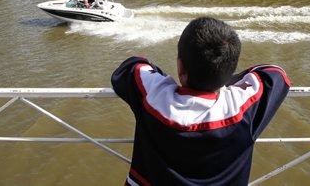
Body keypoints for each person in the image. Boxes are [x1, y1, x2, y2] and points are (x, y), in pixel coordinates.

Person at [111, 17, 290, 185]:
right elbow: (275, 74)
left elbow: (131, 66)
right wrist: (224, 78)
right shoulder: (243, 111)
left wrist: (164, 80)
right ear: (228, 70)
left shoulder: (153, 97)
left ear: (180, 67)